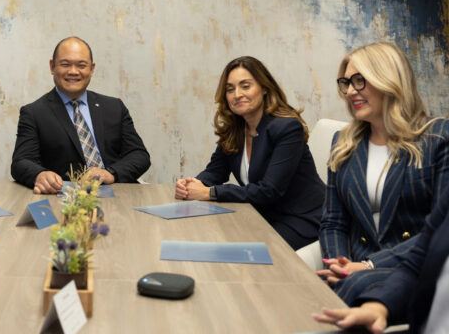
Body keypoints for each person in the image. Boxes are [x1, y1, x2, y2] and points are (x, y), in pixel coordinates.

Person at [317, 42, 449, 304]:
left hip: (413, 266)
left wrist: (369, 265)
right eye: (346, 82)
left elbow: (441, 231)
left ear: (389, 80)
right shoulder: (342, 143)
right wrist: (338, 264)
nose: (350, 91)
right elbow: (333, 221)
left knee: (350, 290)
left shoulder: (438, 137)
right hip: (353, 267)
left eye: (359, 81)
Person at [175, 56, 325, 250]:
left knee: (240, 250)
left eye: (245, 86)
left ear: (264, 88)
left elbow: (269, 191)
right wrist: (191, 185)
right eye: (230, 89)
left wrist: (210, 192)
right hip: (264, 214)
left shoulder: (287, 128)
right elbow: (214, 172)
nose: (237, 94)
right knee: (208, 235)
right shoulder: (235, 129)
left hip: (302, 219)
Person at [10, 36, 151, 193]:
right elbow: (20, 162)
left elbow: (139, 155)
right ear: (52, 66)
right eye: (65, 64)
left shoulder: (114, 107)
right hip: (67, 200)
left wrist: (111, 173)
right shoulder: (34, 113)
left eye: (81, 65)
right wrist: (40, 175)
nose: (73, 72)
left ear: (91, 69)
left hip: (118, 194)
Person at [314, 185, 449, 333]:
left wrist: (370, 264)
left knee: (356, 283)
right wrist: (377, 306)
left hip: (389, 260)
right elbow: (415, 266)